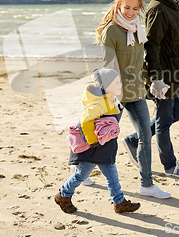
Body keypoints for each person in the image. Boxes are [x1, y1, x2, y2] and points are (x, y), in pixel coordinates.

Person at [122, 0, 179, 179]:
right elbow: (151, 46)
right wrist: (156, 79)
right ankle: (170, 166)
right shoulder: (158, 9)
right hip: (163, 73)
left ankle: (134, 140)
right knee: (164, 121)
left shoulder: (175, 4)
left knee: (175, 115)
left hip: (176, 70)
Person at [96, 0, 171, 199]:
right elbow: (108, 65)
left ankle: (147, 185)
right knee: (103, 137)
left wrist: (155, 81)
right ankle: (80, 168)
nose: (130, 12)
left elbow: (140, 62)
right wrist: (112, 93)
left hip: (136, 91)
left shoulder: (138, 28)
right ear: (119, 5)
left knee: (145, 136)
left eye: (134, 8)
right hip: (116, 94)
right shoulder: (112, 31)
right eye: (126, 7)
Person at [55, 68, 141, 214]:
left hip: (104, 146)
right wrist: (93, 141)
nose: (120, 84)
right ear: (106, 86)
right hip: (94, 147)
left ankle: (119, 202)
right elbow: (85, 121)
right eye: (117, 82)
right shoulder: (98, 103)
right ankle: (63, 195)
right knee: (81, 175)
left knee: (112, 175)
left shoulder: (108, 99)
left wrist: (117, 108)